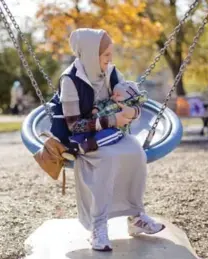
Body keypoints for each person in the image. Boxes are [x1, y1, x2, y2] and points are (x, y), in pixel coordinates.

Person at [55, 28, 165, 251]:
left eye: (110, 55)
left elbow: (133, 102)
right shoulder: (70, 81)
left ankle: (135, 217)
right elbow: (74, 125)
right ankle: (98, 226)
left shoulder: (112, 73)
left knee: (136, 152)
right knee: (105, 160)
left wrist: (132, 113)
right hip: (86, 137)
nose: (109, 60)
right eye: (105, 55)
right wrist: (113, 120)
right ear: (89, 54)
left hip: (111, 134)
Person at [67, 80, 148, 156]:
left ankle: (90, 144)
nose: (114, 96)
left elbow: (142, 99)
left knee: (108, 135)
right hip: (97, 122)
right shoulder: (110, 100)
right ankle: (73, 145)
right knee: (85, 130)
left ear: (129, 97)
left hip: (115, 128)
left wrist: (133, 110)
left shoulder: (128, 103)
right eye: (114, 94)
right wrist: (96, 108)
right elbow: (101, 103)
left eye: (118, 95)